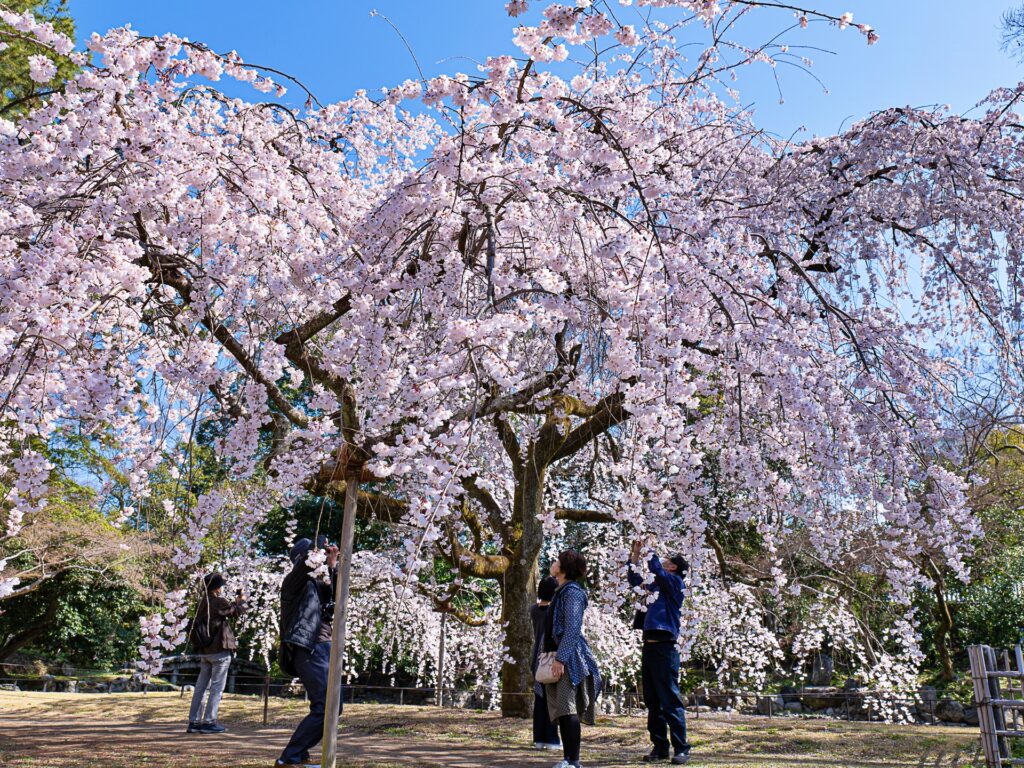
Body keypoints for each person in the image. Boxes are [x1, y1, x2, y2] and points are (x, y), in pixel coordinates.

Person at [275, 536, 341, 767]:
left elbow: (334, 597)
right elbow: (304, 564)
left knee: (331, 705)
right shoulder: (294, 581)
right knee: (326, 705)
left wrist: (332, 564)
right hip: (309, 647)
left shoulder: (315, 583)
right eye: (317, 554)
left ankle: (298, 756)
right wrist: (318, 543)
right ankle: (289, 758)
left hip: (322, 646)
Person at [627, 539, 691, 765]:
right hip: (649, 646)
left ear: (673, 566)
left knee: (670, 699)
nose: (663, 560)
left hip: (665, 647)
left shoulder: (674, 583)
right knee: (653, 701)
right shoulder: (655, 585)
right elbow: (635, 580)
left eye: (667, 560)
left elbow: (657, 570)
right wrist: (635, 555)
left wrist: (648, 548)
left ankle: (681, 748)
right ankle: (660, 747)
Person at [544, 550, 602, 768]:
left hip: (570, 657)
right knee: (562, 709)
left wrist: (561, 659)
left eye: (557, 560)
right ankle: (567, 760)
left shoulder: (573, 593)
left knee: (568, 708)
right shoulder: (561, 591)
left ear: (565, 567)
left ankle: (574, 761)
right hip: (559, 655)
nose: (553, 563)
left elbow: (572, 629)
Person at [186, 572, 246, 734]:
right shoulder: (219, 601)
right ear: (217, 588)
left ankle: (194, 721)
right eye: (220, 586)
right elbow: (236, 612)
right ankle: (209, 721)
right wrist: (241, 601)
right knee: (216, 687)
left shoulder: (202, 602)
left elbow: (227, 610)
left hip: (205, 651)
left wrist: (235, 603)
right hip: (219, 650)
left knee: (201, 687)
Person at [531, 575, 561, 751]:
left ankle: (539, 739)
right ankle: (552, 739)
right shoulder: (554, 611)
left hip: (536, 659)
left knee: (540, 700)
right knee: (552, 700)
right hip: (551, 658)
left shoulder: (533, 609)